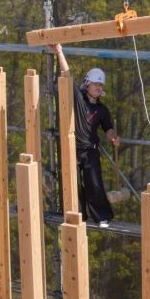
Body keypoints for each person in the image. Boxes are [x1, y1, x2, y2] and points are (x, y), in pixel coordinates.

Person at [54, 42, 120, 227]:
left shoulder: (102, 109)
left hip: (91, 151)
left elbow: (108, 128)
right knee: (72, 185)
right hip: (73, 148)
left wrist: (113, 136)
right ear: (88, 84)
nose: (99, 87)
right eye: (96, 84)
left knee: (94, 184)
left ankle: (102, 217)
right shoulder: (78, 100)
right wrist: (60, 52)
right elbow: (67, 76)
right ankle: (78, 216)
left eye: (101, 84)